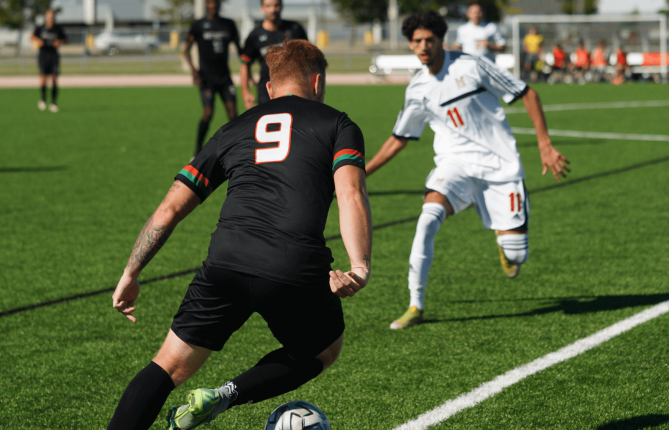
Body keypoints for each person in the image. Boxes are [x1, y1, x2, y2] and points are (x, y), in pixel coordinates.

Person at [107, 40, 372, 430]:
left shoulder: (232, 129)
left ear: (268, 89)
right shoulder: (338, 124)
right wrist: (359, 266)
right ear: (318, 83)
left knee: (169, 365)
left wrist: (131, 272)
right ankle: (225, 395)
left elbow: (170, 208)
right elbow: (351, 192)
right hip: (292, 265)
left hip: (225, 262)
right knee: (322, 349)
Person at [365, 12, 569, 330]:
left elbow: (528, 94)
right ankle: (415, 304)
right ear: (409, 44)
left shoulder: (471, 66)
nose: (423, 46)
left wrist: (544, 144)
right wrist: (362, 172)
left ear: (440, 40)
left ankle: (506, 245)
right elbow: (399, 139)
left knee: (517, 256)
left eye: (429, 40)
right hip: (455, 165)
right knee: (427, 219)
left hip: (500, 166)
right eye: (416, 41)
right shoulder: (417, 88)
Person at [184, 0, 241, 157]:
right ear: (206, 4)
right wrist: (194, 71)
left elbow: (240, 49)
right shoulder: (198, 25)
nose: (213, 5)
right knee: (208, 114)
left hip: (225, 78)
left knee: (233, 114)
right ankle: (197, 151)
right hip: (206, 79)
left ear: (219, 4)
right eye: (210, 2)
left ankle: (236, 149)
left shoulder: (229, 24)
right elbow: (186, 50)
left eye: (215, 3)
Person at [239, 0, 308, 109]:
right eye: (268, 6)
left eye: (276, 5)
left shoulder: (295, 29)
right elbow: (244, 64)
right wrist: (245, 92)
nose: (273, 9)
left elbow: (307, 58)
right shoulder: (255, 35)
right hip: (267, 88)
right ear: (262, 8)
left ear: (281, 6)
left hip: (292, 85)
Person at [31, 9, 66, 113]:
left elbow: (65, 39)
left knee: (54, 79)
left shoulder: (57, 29)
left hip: (54, 56)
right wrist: (38, 41)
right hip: (43, 55)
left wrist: (59, 42)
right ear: (46, 17)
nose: (50, 18)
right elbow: (32, 36)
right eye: (48, 16)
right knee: (43, 79)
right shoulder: (41, 28)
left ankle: (54, 103)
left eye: (52, 16)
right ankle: (43, 99)